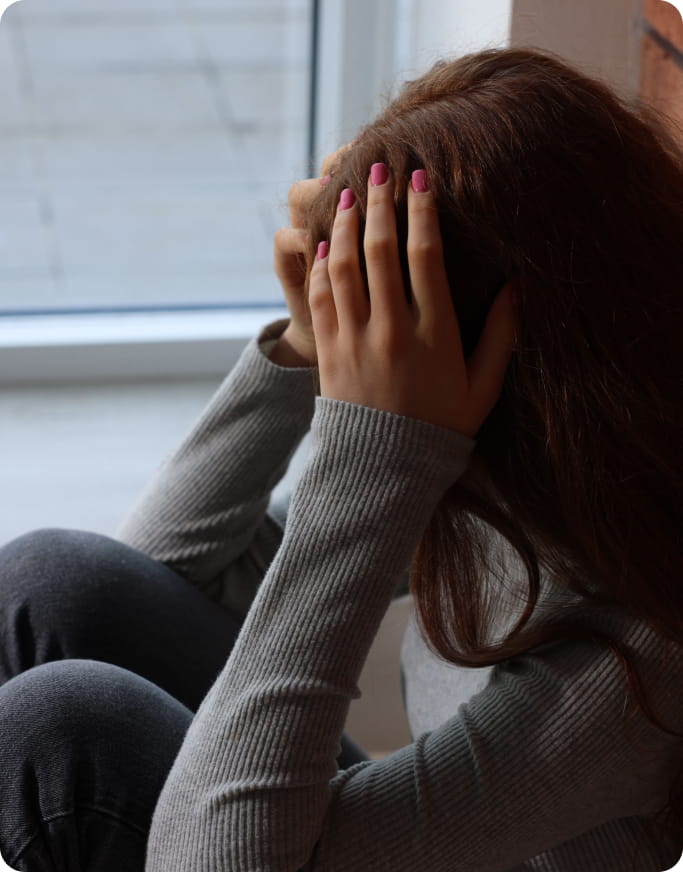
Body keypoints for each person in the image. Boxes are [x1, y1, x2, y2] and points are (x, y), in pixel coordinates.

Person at [0, 46, 682, 871]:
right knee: (52, 583)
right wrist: (300, 351)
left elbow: (209, 859)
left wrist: (380, 461)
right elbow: (153, 575)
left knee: (54, 734)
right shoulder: (524, 478)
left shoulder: (631, 670)